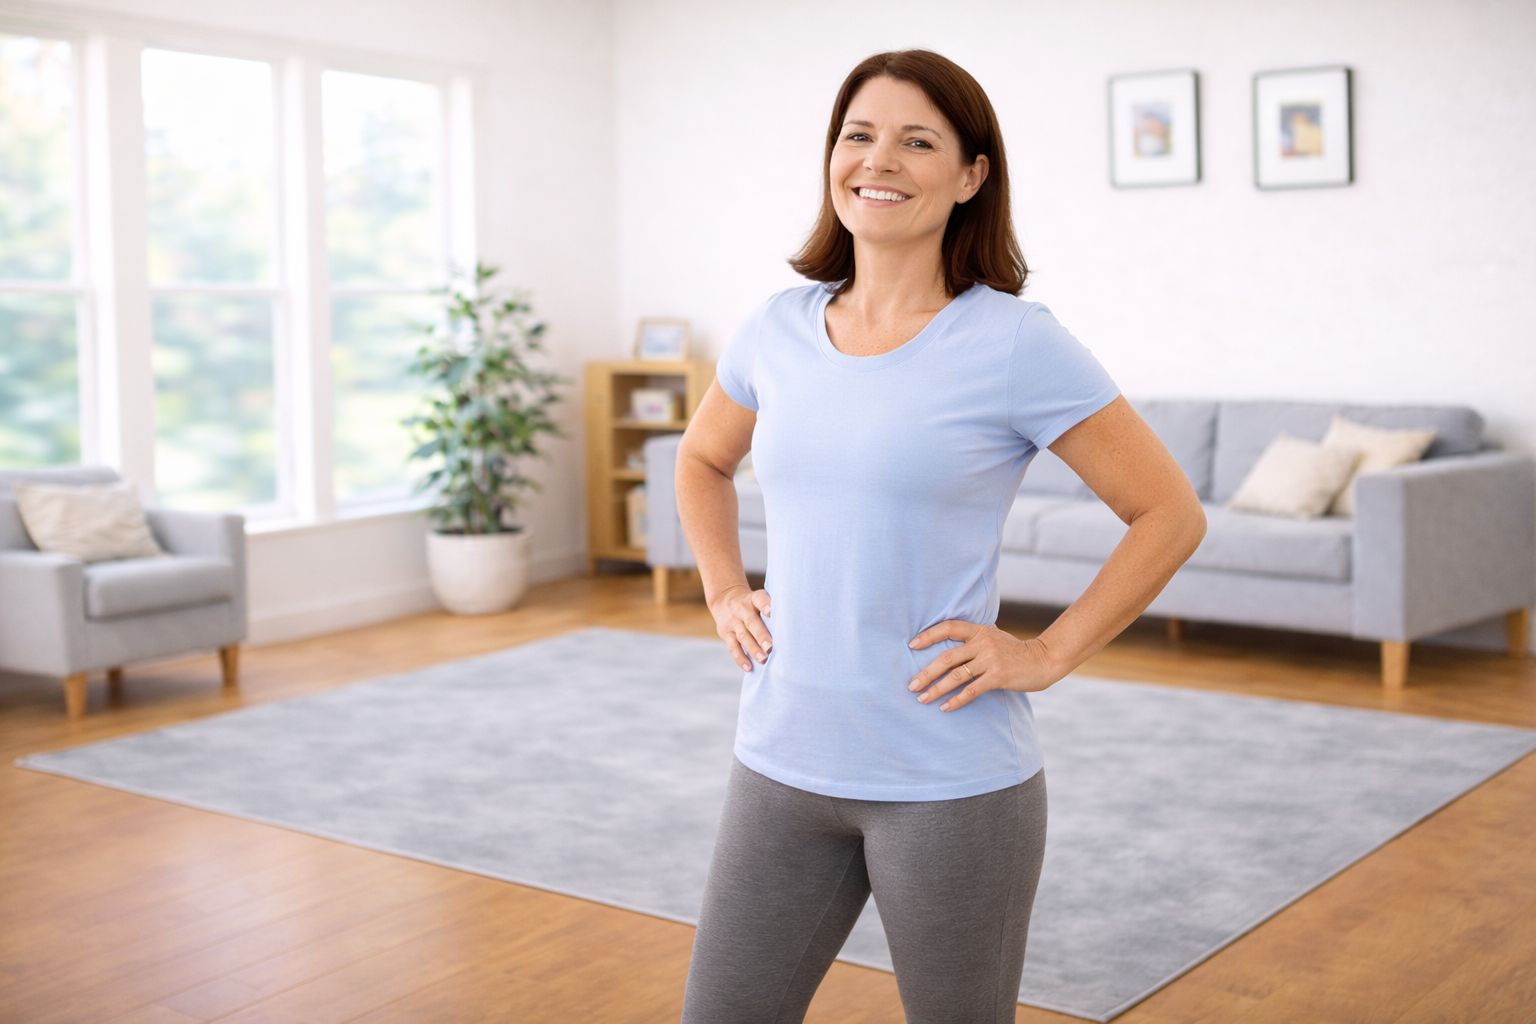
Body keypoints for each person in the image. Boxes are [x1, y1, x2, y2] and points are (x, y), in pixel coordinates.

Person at [675, 48, 1206, 1024]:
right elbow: (702, 460)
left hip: (950, 783)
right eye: (859, 135)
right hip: (779, 762)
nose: (879, 160)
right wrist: (722, 589)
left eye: (917, 141)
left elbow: (1170, 513)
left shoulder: (1013, 342)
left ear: (971, 176)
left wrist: (1047, 653)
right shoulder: (775, 328)